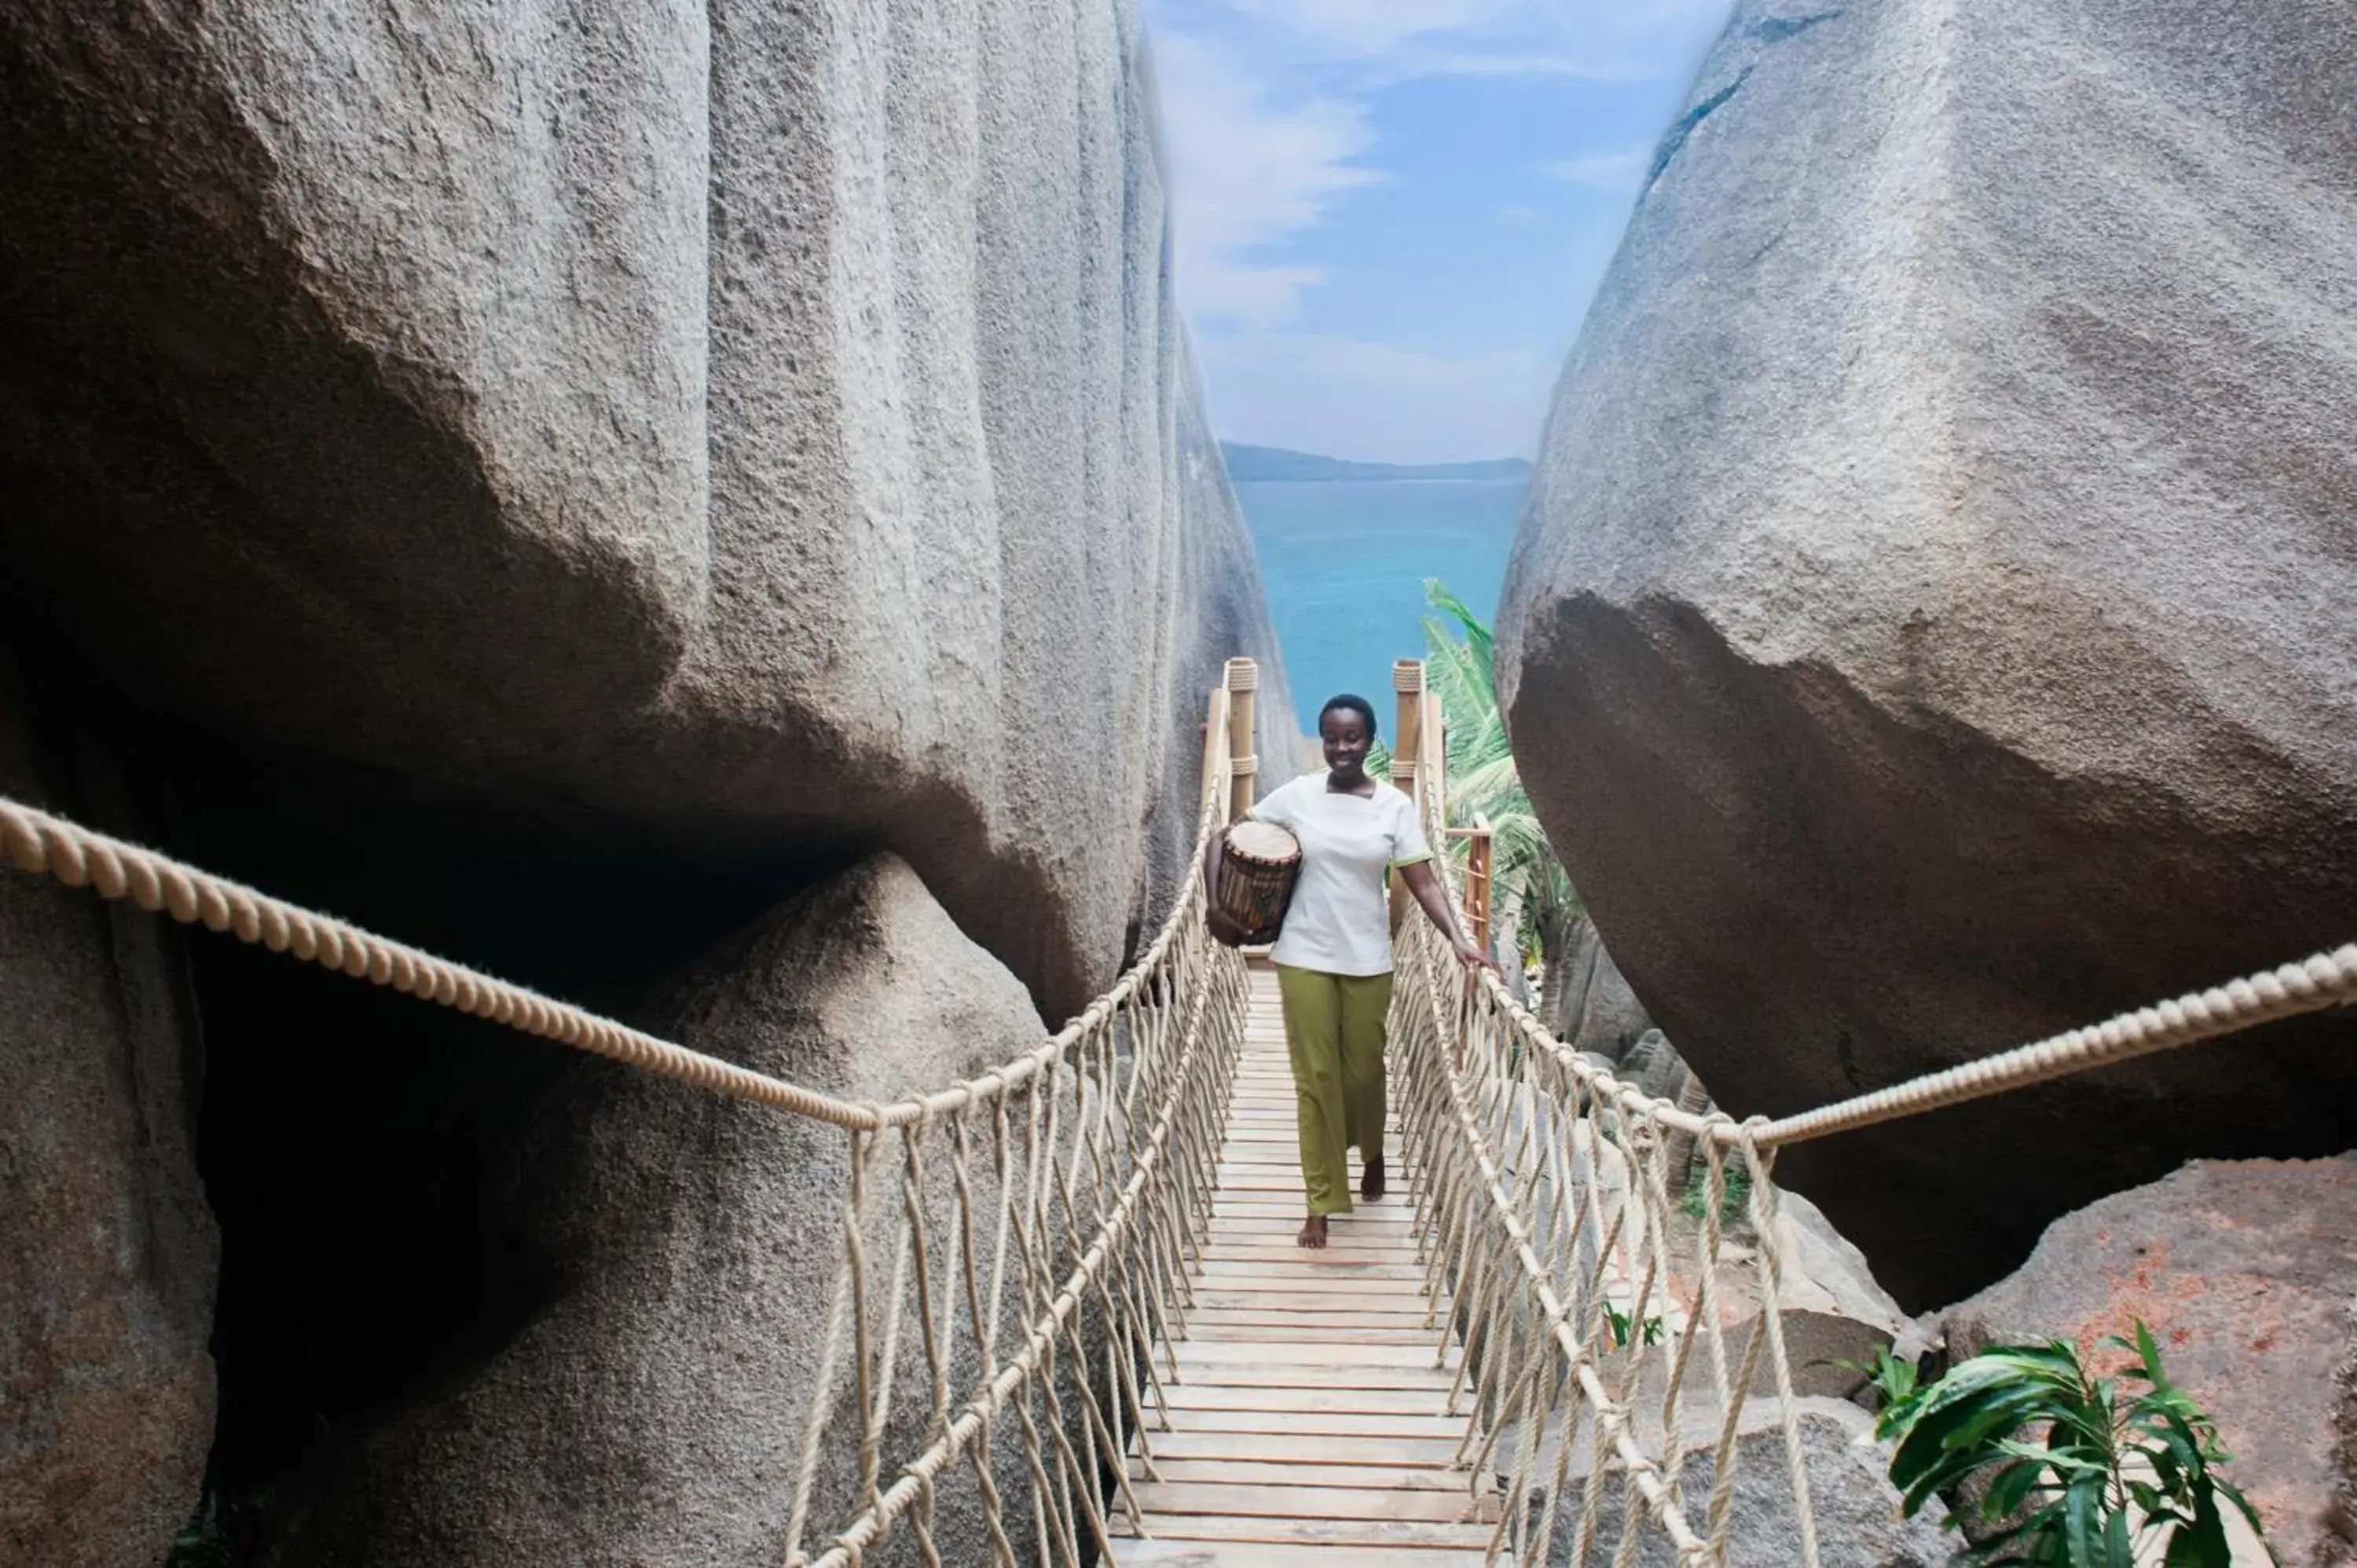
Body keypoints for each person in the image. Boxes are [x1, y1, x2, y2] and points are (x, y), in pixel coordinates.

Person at [1205, 693, 1499, 1247]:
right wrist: (1215, 907)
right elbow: (1223, 836)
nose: (1342, 748)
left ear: (1370, 741)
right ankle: (1319, 1202)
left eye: (1353, 738)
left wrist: (1460, 940)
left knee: (1364, 1071)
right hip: (1304, 954)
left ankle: (1373, 1151)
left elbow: (1425, 881)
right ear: (1324, 741)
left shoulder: (1394, 806)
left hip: (1368, 958)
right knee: (1315, 1080)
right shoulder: (1298, 795)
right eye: (1332, 738)